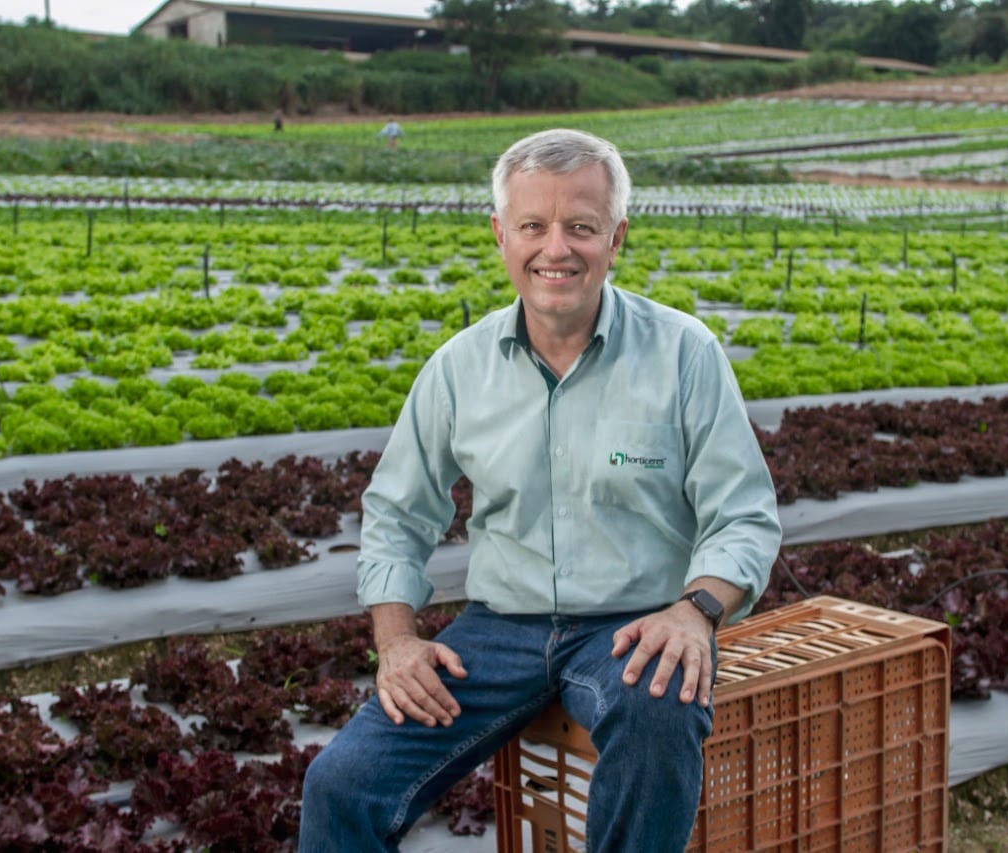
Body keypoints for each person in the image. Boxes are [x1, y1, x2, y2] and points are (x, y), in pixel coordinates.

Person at [298, 128, 781, 853]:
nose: (556, 248)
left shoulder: (684, 354)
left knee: (661, 708)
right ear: (501, 236)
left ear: (617, 237)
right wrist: (397, 640)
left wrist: (696, 611)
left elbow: (742, 514)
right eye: (533, 225)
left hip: (632, 626)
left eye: (580, 227)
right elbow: (397, 514)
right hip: (499, 633)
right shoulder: (458, 368)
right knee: (341, 782)